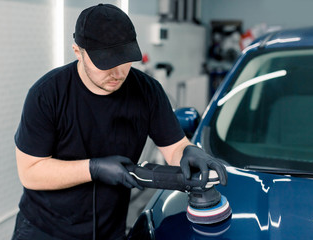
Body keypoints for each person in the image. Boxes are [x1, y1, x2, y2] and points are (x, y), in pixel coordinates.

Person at [11, 3, 227, 240]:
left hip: (110, 230)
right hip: (44, 230)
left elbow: (174, 147)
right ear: (77, 52)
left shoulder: (147, 91)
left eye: (124, 59)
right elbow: (30, 172)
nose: (117, 72)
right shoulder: (47, 94)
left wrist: (189, 152)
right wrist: (93, 169)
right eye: (105, 62)